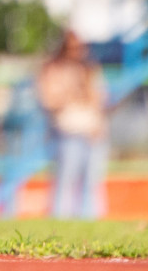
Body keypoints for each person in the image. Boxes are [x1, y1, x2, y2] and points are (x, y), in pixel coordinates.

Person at [37, 28, 109, 219]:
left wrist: (99, 126)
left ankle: (91, 226)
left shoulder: (89, 69)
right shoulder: (53, 69)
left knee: (92, 185)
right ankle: (58, 224)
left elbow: (99, 101)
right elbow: (48, 100)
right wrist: (70, 90)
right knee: (64, 184)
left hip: (91, 134)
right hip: (67, 133)